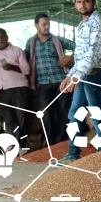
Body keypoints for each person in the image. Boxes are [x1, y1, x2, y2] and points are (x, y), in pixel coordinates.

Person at [58, 0, 101, 164]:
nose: (82, 5)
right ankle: (73, 154)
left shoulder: (98, 22)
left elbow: (93, 53)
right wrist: (71, 75)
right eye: (79, 2)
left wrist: (76, 76)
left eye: (86, 1)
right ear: (75, 4)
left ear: (94, 2)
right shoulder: (82, 24)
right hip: (84, 76)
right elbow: (80, 56)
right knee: (74, 114)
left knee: (97, 116)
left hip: (95, 76)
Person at [25, 13, 76, 146]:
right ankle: (49, 143)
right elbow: (25, 59)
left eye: (49, 24)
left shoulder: (57, 40)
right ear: (36, 26)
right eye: (44, 24)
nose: (47, 27)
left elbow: (79, 46)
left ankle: (60, 143)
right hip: (43, 84)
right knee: (46, 114)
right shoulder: (31, 43)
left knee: (63, 113)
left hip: (61, 82)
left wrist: (70, 58)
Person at [0, 28, 32, 148]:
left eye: (2, 36)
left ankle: (22, 145)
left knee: (21, 116)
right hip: (2, 89)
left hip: (18, 87)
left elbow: (27, 69)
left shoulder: (16, 50)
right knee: (8, 118)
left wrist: (11, 66)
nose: (0, 39)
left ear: (7, 37)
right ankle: (15, 144)